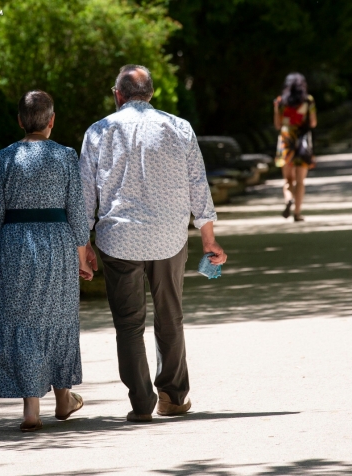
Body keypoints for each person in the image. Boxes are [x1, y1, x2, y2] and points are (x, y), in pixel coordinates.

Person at [80, 65, 227, 422]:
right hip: (169, 237)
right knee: (170, 316)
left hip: (119, 239)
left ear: (117, 95)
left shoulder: (99, 131)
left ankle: (141, 403)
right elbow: (197, 184)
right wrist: (209, 238)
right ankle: (173, 397)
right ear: (151, 94)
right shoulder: (179, 127)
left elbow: (85, 193)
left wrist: (82, 245)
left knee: (128, 324)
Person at [0, 90, 94, 432]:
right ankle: (63, 398)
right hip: (57, 244)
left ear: (20, 121)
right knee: (57, 317)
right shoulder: (66, 156)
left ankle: (31, 409)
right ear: (52, 121)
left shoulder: (4, 158)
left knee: (22, 319)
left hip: (16, 247)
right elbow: (77, 213)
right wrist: (82, 256)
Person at [274, 73, 317, 222]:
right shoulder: (308, 101)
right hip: (301, 142)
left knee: (288, 181)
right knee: (300, 181)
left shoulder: (280, 102)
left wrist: (276, 109)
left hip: (286, 142)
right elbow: (313, 123)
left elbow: (278, 125)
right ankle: (297, 213)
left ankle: (288, 200)